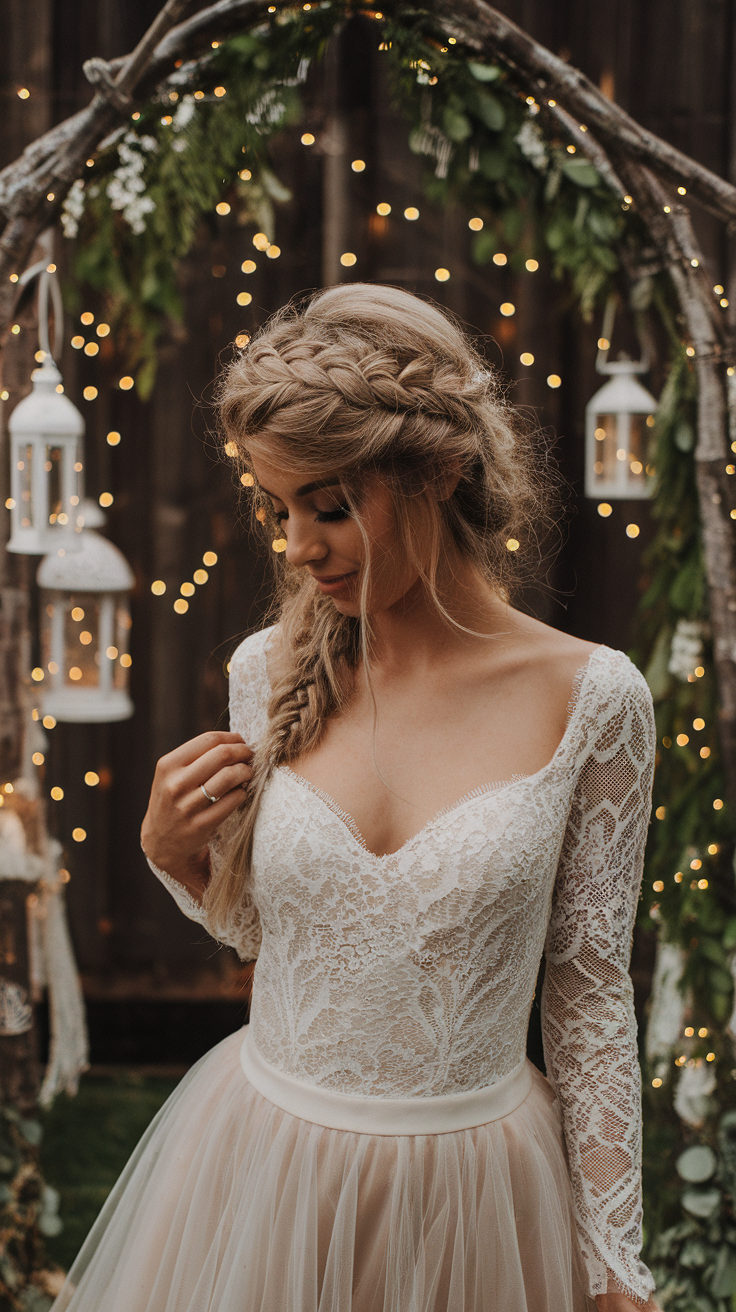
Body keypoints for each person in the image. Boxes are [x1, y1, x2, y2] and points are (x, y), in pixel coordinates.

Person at [52, 283, 661, 1312]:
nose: (296, 546)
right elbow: (275, 933)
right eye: (277, 508)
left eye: (329, 507)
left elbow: (588, 991)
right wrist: (179, 857)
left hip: (474, 1194)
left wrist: (612, 1261)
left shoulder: (593, 697)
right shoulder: (266, 670)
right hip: (266, 1163)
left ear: (440, 471)